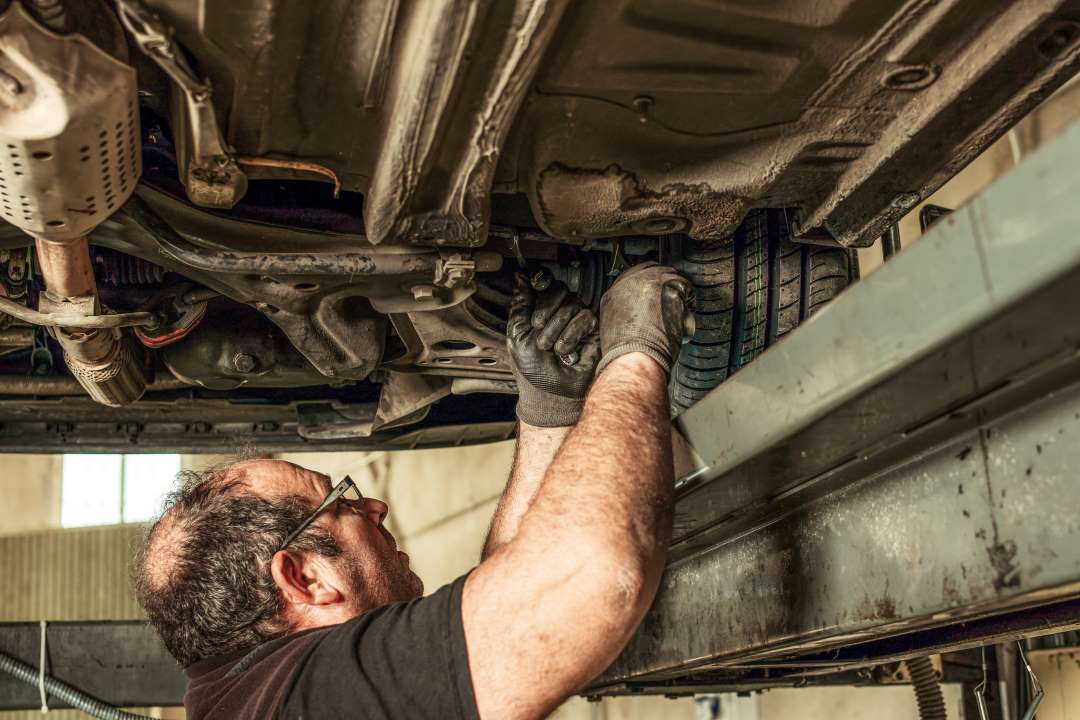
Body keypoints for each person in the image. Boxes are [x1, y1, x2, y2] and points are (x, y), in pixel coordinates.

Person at [133, 262, 694, 720]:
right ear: (304, 578)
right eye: (341, 504)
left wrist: (547, 411)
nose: (374, 506)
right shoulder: (314, 700)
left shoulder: (256, 696)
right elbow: (585, 579)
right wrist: (635, 351)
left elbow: (499, 607)